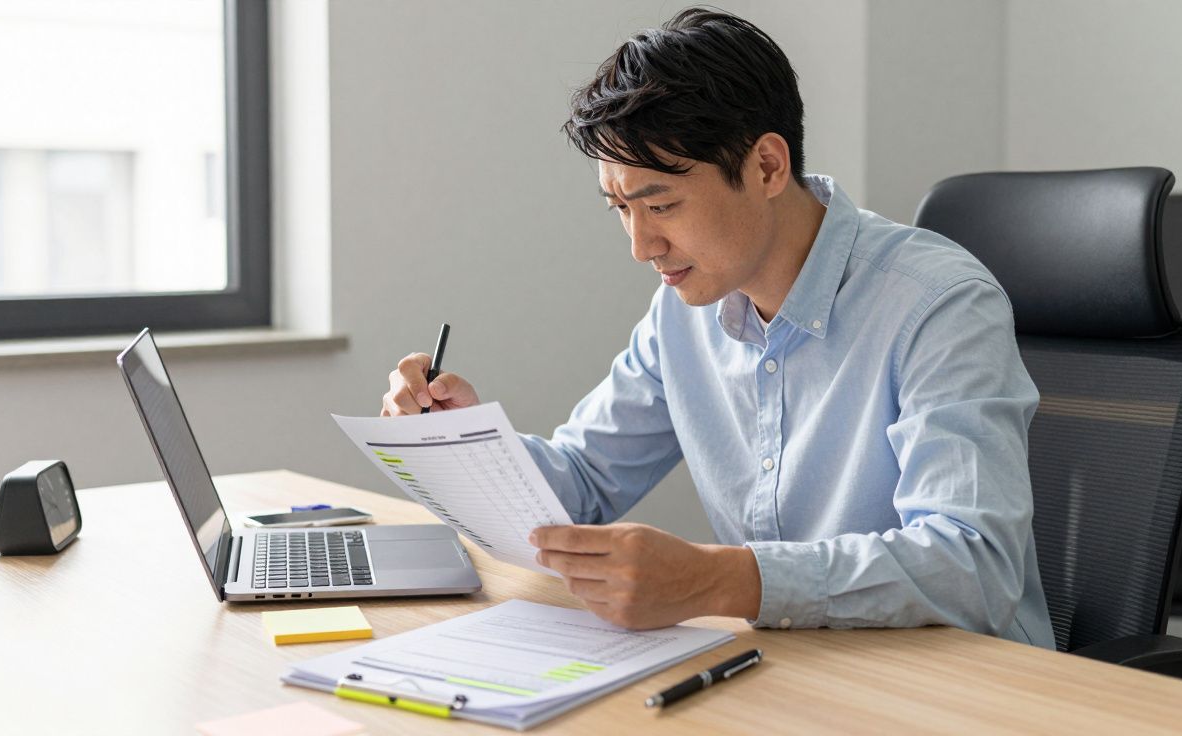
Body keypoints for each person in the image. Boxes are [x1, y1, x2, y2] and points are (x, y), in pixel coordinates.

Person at [382, 7, 1055, 648]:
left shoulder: (937, 303)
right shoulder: (683, 313)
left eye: (662, 204)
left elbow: (974, 564)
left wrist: (720, 579)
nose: (642, 246)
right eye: (619, 207)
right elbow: (582, 484)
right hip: (801, 672)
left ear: (766, 166)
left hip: (967, 685)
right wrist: (458, 440)